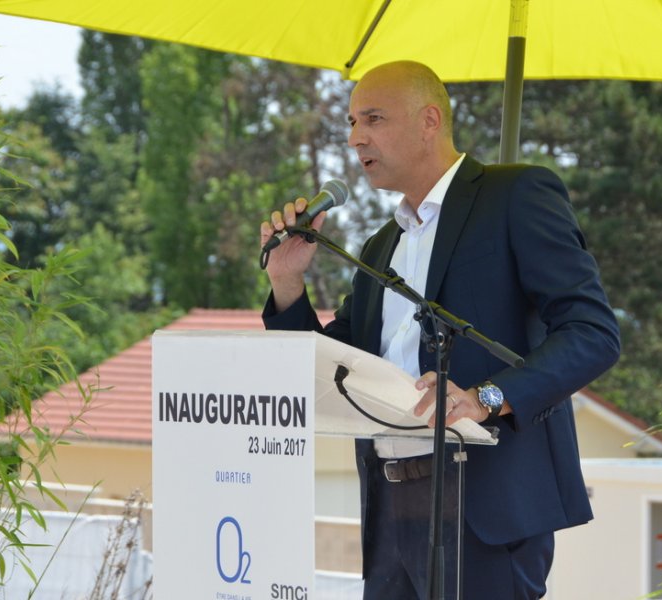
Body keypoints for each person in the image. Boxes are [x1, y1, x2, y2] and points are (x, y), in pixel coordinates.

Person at [260, 60, 620, 600]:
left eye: (373, 118)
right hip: (390, 513)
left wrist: (487, 397)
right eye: (352, 123)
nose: (357, 138)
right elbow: (337, 367)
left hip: (485, 506)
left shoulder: (515, 196)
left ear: (430, 120)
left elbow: (593, 333)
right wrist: (287, 283)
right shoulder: (380, 246)